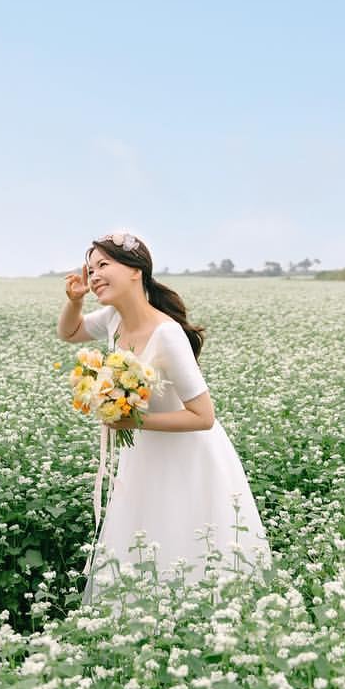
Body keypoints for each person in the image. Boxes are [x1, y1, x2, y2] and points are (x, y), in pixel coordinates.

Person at [57, 232, 270, 598]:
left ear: (136, 271)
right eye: (90, 269)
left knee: (185, 538)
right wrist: (74, 301)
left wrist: (131, 421)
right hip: (146, 455)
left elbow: (203, 416)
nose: (94, 276)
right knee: (145, 537)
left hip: (188, 458)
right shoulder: (113, 319)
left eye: (103, 266)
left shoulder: (167, 335)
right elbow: (70, 332)